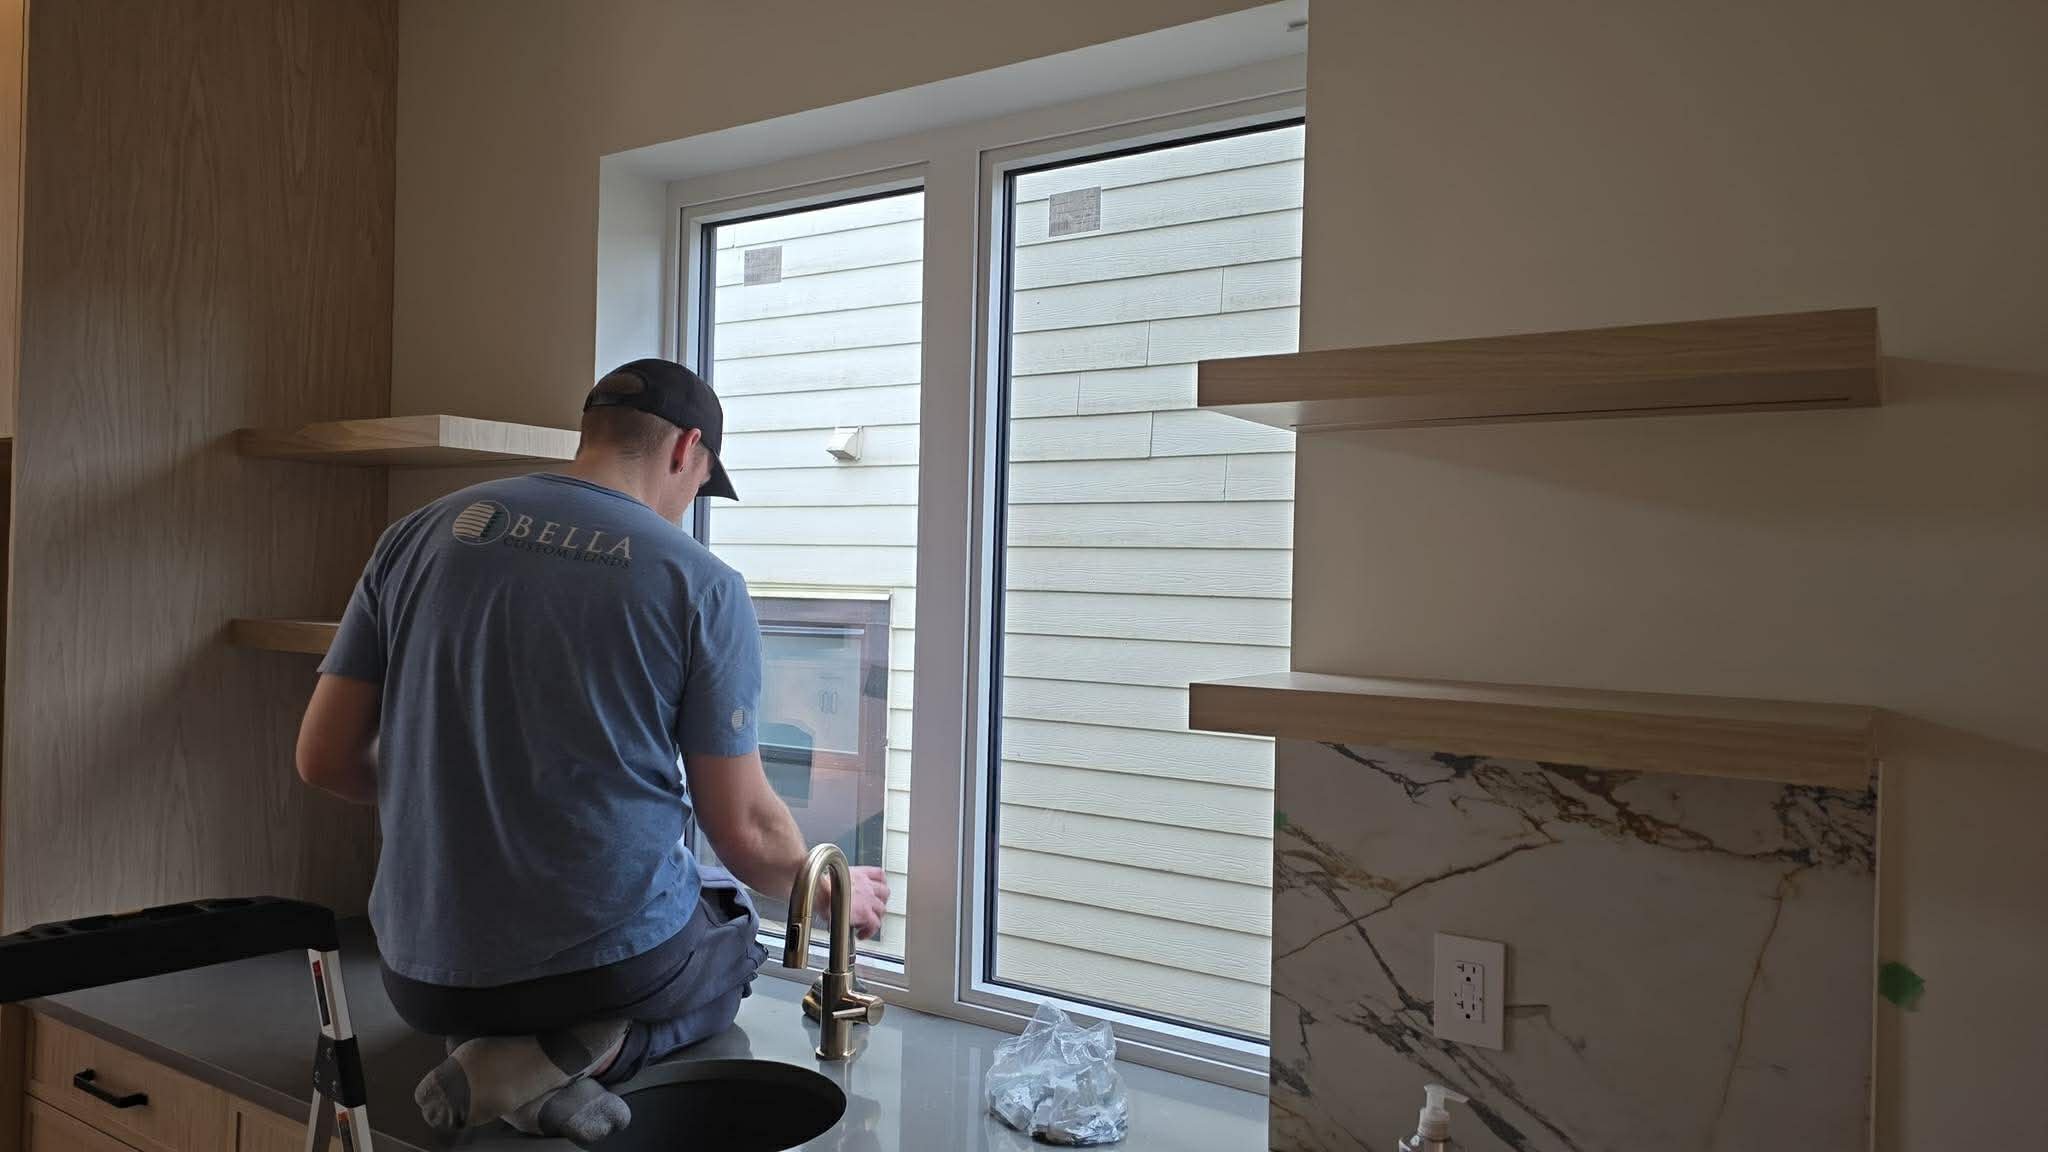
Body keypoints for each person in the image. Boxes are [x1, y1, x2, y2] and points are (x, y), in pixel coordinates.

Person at [294, 358, 889, 1146]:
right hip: (597, 976)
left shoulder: (416, 535)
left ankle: (503, 1067)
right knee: (732, 935)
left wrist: (456, 787)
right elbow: (743, 829)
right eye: (700, 483)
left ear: (592, 434)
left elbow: (324, 759)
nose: (686, 507)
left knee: (512, 986)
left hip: (417, 977)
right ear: (686, 451)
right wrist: (834, 891)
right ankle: (591, 1054)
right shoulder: (699, 583)